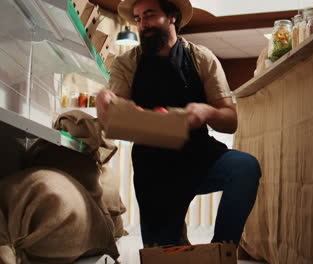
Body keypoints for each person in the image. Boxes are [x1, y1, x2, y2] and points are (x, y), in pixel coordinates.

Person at [95, 0, 261, 247]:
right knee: (163, 254)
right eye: (138, 18)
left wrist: (206, 112)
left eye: (149, 15)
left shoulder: (201, 58)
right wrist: (106, 105)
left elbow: (230, 120)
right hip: (154, 168)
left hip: (200, 156)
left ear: (172, 16)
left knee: (245, 167)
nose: (143, 24)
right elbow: (118, 116)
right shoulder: (126, 64)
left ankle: (221, 252)